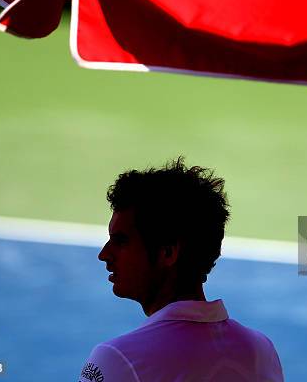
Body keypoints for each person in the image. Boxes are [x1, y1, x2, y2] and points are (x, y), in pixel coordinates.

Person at [78, 157, 284, 382]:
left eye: (121, 241)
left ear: (168, 253)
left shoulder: (115, 359)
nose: (104, 254)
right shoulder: (261, 351)